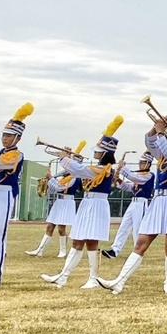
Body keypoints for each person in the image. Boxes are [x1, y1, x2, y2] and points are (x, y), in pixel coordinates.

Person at [98, 107, 167, 295]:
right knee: (141, 243)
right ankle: (119, 281)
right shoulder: (164, 152)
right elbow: (150, 143)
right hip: (158, 201)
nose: (166, 140)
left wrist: (160, 132)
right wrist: (154, 129)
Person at [42, 117, 121, 289]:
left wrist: (64, 158)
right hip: (88, 204)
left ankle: (93, 278)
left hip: (97, 205)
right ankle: (64, 276)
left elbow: (80, 170)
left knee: (92, 242)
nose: (95, 152)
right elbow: (79, 169)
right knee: (77, 240)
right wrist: (68, 157)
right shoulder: (98, 168)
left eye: (98, 150)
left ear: (105, 152)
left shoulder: (104, 169)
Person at [0, 103, 34, 285]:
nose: (4, 138)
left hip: (3, 195)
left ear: (17, 138)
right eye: (4, 135)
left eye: (8, 135)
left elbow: (0, 163)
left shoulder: (17, 155)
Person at [27, 140, 84, 259]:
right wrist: (47, 184)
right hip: (59, 201)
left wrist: (51, 178)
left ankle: (63, 251)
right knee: (49, 226)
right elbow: (55, 189)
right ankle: (40, 250)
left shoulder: (74, 177)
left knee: (61, 228)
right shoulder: (65, 176)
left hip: (67, 202)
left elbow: (60, 188)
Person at [104, 151, 155, 259]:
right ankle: (115, 250)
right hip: (134, 202)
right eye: (140, 162)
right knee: (124, 226)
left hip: (142, 203)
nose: (140, 164)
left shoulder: (149, 175)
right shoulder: (139, 175)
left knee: (137, 229)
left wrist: (122, 168)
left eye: (143, 162)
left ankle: (138, 252)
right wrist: (118, 181)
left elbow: (135, 178)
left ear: (148, 164)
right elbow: (130, 188)